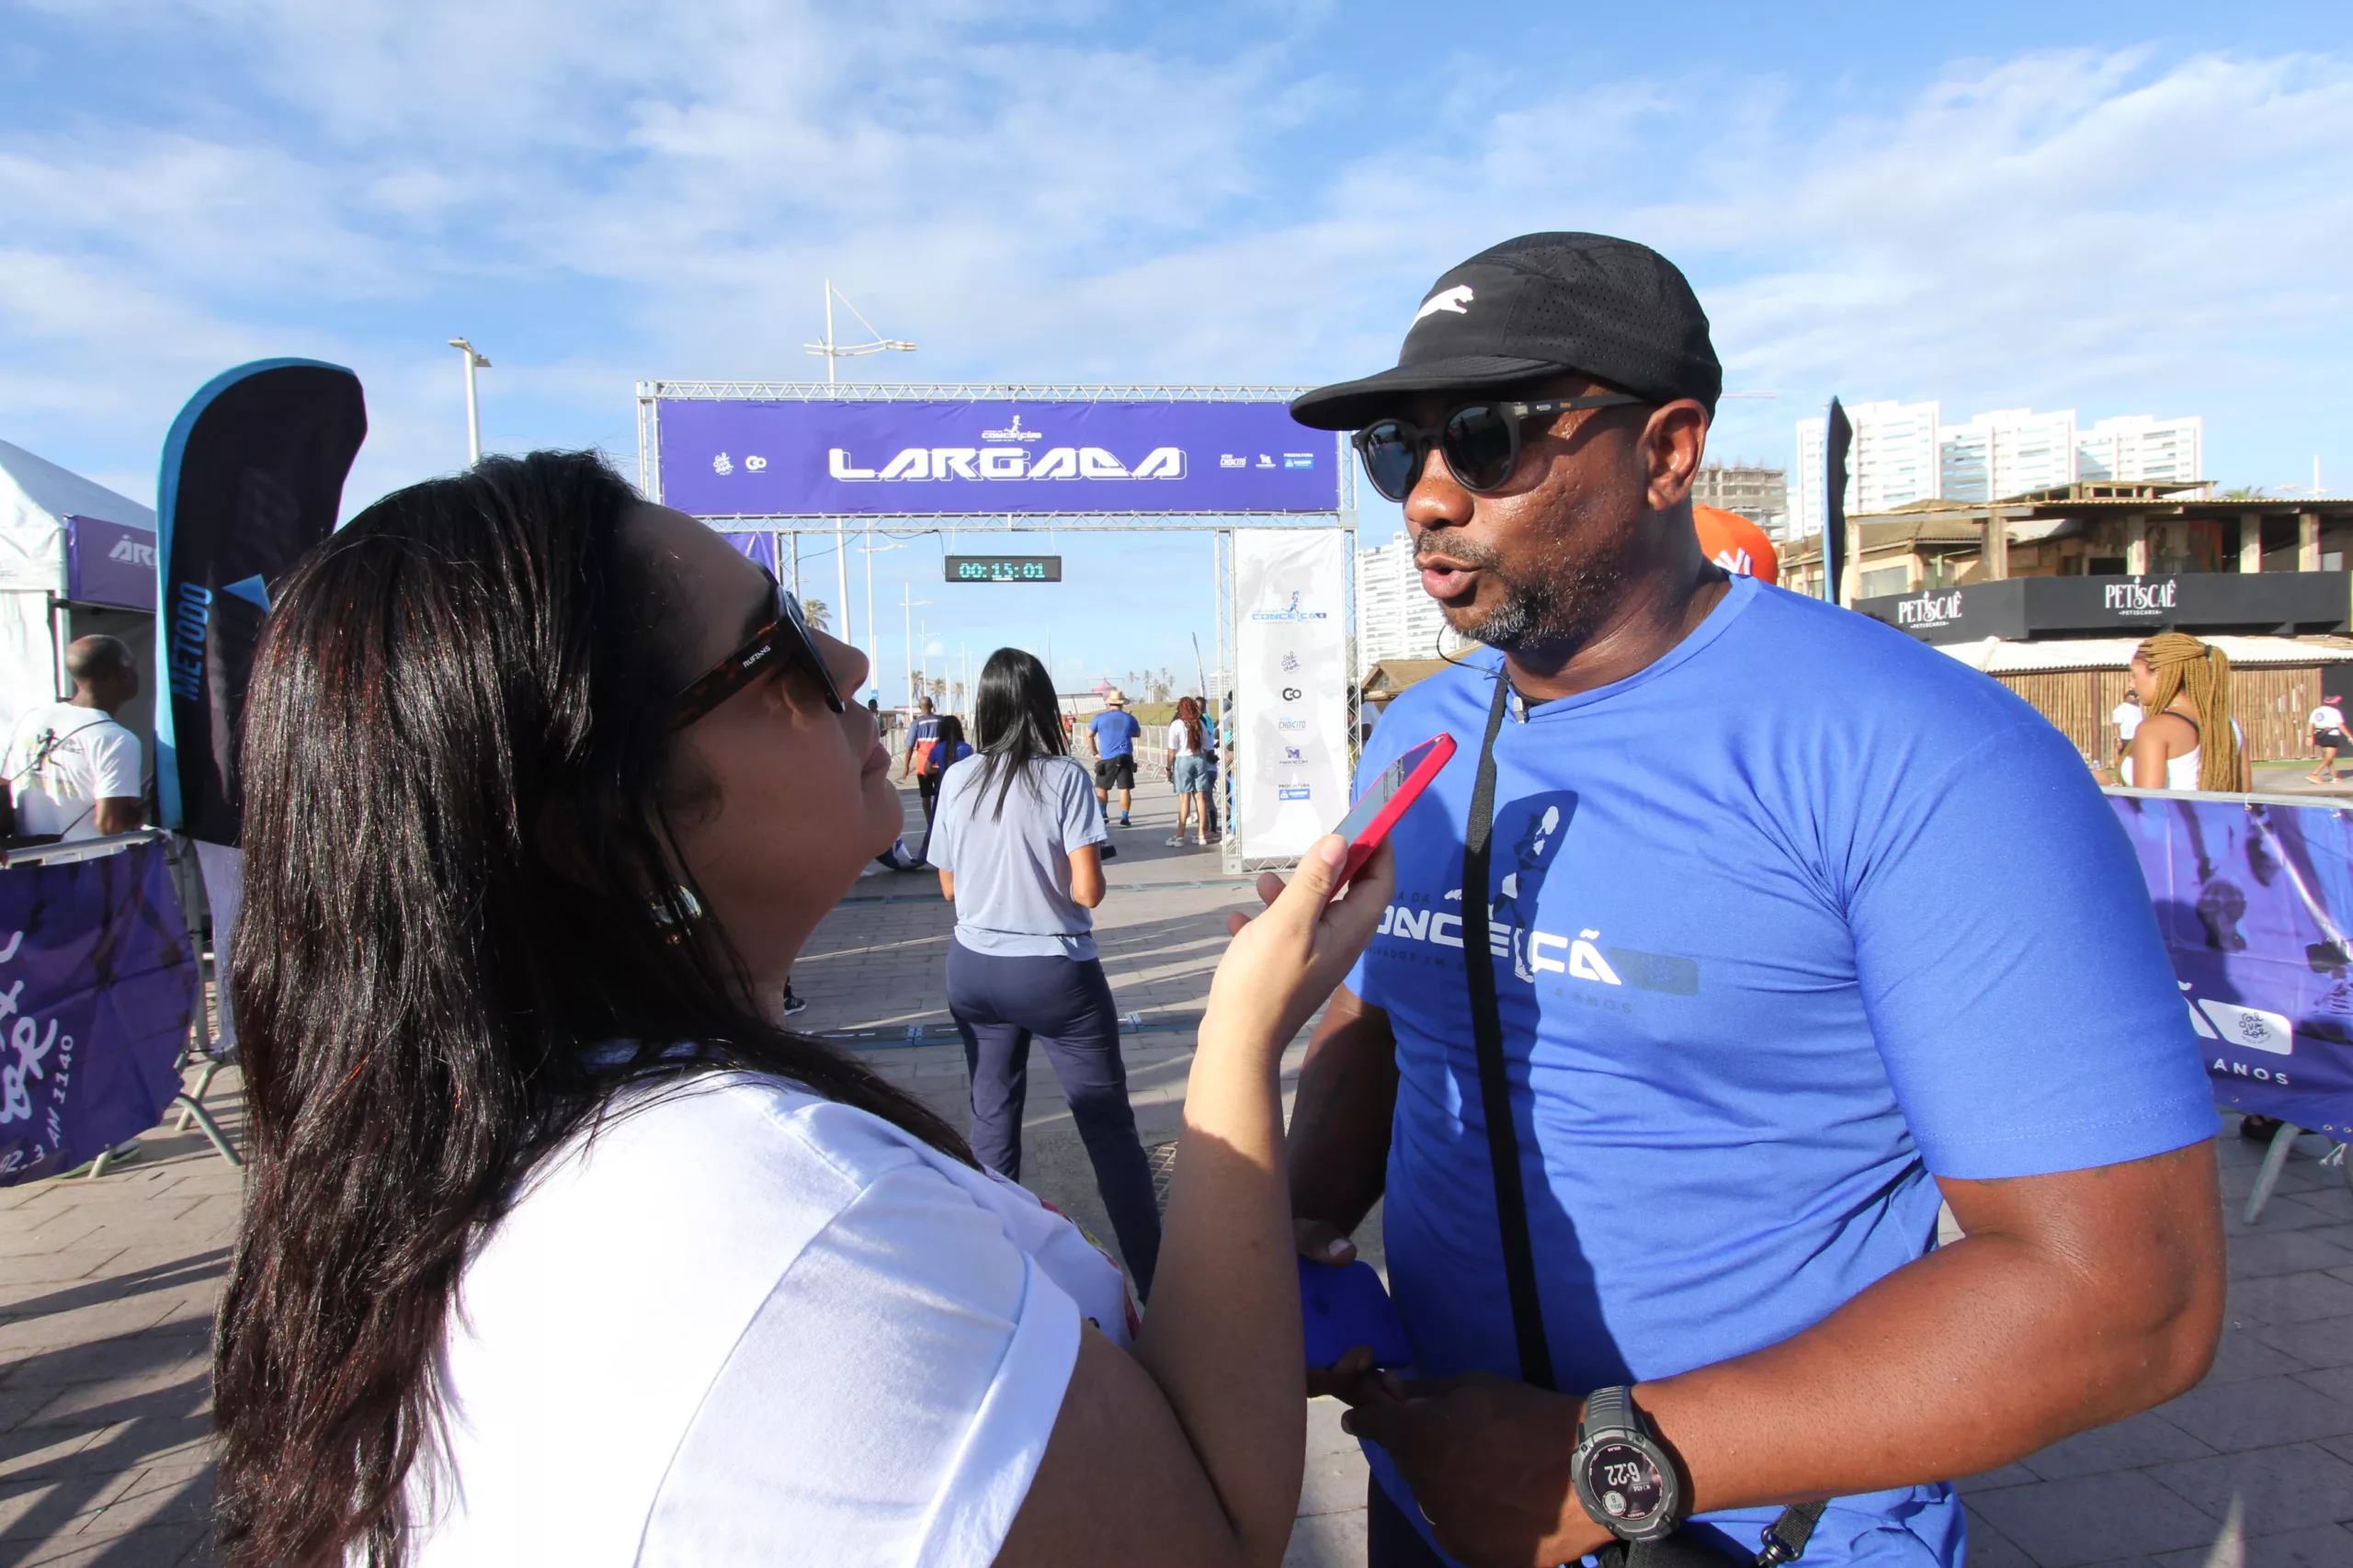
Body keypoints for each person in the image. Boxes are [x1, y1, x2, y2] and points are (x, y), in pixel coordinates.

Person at [210, 451, 1394, 1568]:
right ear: (611, 815)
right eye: (772, 642)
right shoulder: (775, 1215)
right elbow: (1217, 1533)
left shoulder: (513, 1141)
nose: (849, 662)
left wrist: (1205, 1295)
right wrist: (1241, 1033)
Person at [1281, 233, 2223, 1568]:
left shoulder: (1922, 754)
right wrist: (1290, 1231)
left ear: (1667, 451)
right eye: (1396, 451)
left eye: (1484, 438)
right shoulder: (1417, 738)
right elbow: (1387, 1020)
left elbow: (2134, 1296)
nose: (1428, 497)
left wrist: (1613, 1464)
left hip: (1756, 1525)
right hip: (1441, 1491)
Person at [926, 649, 1163, 1295]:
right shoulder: (1064, 778)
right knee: (1108, 1129)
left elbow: (948, 887)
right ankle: (1158, 1283)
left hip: (972, 970)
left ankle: (995, 1284)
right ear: (1042, 704)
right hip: (1055, 974)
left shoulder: (958, 778)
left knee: (992, 1123)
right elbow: (1088, 892)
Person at [3, 634, 143, 844]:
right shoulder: (117, 739)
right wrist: (147, 806)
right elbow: (109, 825)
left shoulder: (33, 717)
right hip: (84, 868)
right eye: (133, 666)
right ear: (122, 675)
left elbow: (4, 783)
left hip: (27, 863)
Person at [2126, 631, 2249, 793]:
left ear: (2159, 674)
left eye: (2134, 675)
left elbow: (2148, 808)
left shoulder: (2153, 729)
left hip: (2172, 819)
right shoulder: (2229, 725)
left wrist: (2108, 786)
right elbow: (2246, 800)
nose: (2131, 684)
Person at [915, 713, 973, 862]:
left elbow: (927, 769)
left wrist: (940, 771)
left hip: (943, 790)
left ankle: (925, 855)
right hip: (962, 791)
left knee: (936, 824)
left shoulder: (937, 749)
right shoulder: (966, 749)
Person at [1087, 689, 1142, 827]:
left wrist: (1095, 753)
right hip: (1125, 756)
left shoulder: (1099, 718)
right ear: (1122, 704)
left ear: (1109, 703)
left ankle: (1104, 814)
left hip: (1106, 757)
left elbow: (1089, 735)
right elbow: (1137, 733)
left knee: (1102, 787)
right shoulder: (1129, 718)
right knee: (1124, 789)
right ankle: (1124, 818)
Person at [1167, 696, 1213, 848]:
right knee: (1200, 797)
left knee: (1184, 798)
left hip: (1183, 760)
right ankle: (1201, 834)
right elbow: (1207, 746)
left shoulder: (1177, 725)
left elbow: (1172, 750)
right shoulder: (1199, 723)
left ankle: (1180, 836)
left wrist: (1169, 767)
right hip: (1199, 758)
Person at [901, 694, 943, 812]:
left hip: (923, 766)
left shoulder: (916, 723)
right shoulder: (941, 720)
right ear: (932, 706)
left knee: (925, 796)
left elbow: (909, 747)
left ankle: (929, 822)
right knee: (940, 794)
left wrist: (906, 766)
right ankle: (938, 818)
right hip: (939, 763)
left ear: (920, 707)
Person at [2307, 691, 2344, 784]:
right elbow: (2341, 725)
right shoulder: (2335, 712)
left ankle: (2335, 777)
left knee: (2328, 757)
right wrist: (2350, 736)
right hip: (2331, 734)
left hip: (2320, 735)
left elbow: (2311, 724)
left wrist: (2310, 736)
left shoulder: (2316, 711)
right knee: (2329, 757)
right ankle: (2314, 774)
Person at [2111, 689, 2143, 779]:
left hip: (2136, 738)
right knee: (2124, 759)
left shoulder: (2137, 709)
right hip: (2125, 738)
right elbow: (2116, 725)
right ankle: (2120, 777)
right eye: (2134, 697)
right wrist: (2118, 739)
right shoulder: (2121, 709)